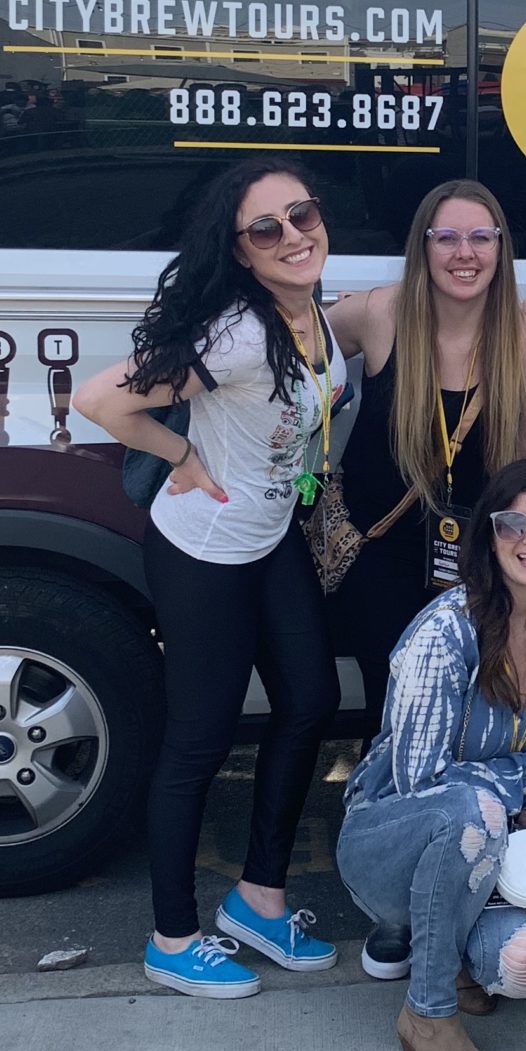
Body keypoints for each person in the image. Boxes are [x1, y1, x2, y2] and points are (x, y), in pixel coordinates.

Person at [75, 158, 347, 998]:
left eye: (301, 215)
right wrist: (180, 453)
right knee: (197, 739)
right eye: (268, 229)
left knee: (310, 700)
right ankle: (172, 937)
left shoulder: (312, 316)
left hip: (268, 539)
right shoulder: (237, 334)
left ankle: (258, 899)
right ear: (240, 252)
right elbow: (100, 400)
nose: (293, 236)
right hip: (204, 551)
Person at [338, 461, 526, 1051]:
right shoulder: (445, 630)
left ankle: (461, 957)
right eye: (513, 523)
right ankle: (428, 1014)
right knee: (471, 809)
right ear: (489, 535)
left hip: (489, 842)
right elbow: (417, 781)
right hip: (389, 845)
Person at [324, 179, 526, 731]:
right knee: (389, 714)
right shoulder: (381, 314)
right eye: (446, 237)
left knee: (456, 719)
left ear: (501, 248)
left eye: (481, 237)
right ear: (422, 246)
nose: (464, 254)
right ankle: (381, 814)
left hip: (474, 571)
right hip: (376, 557)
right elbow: (288, 346)